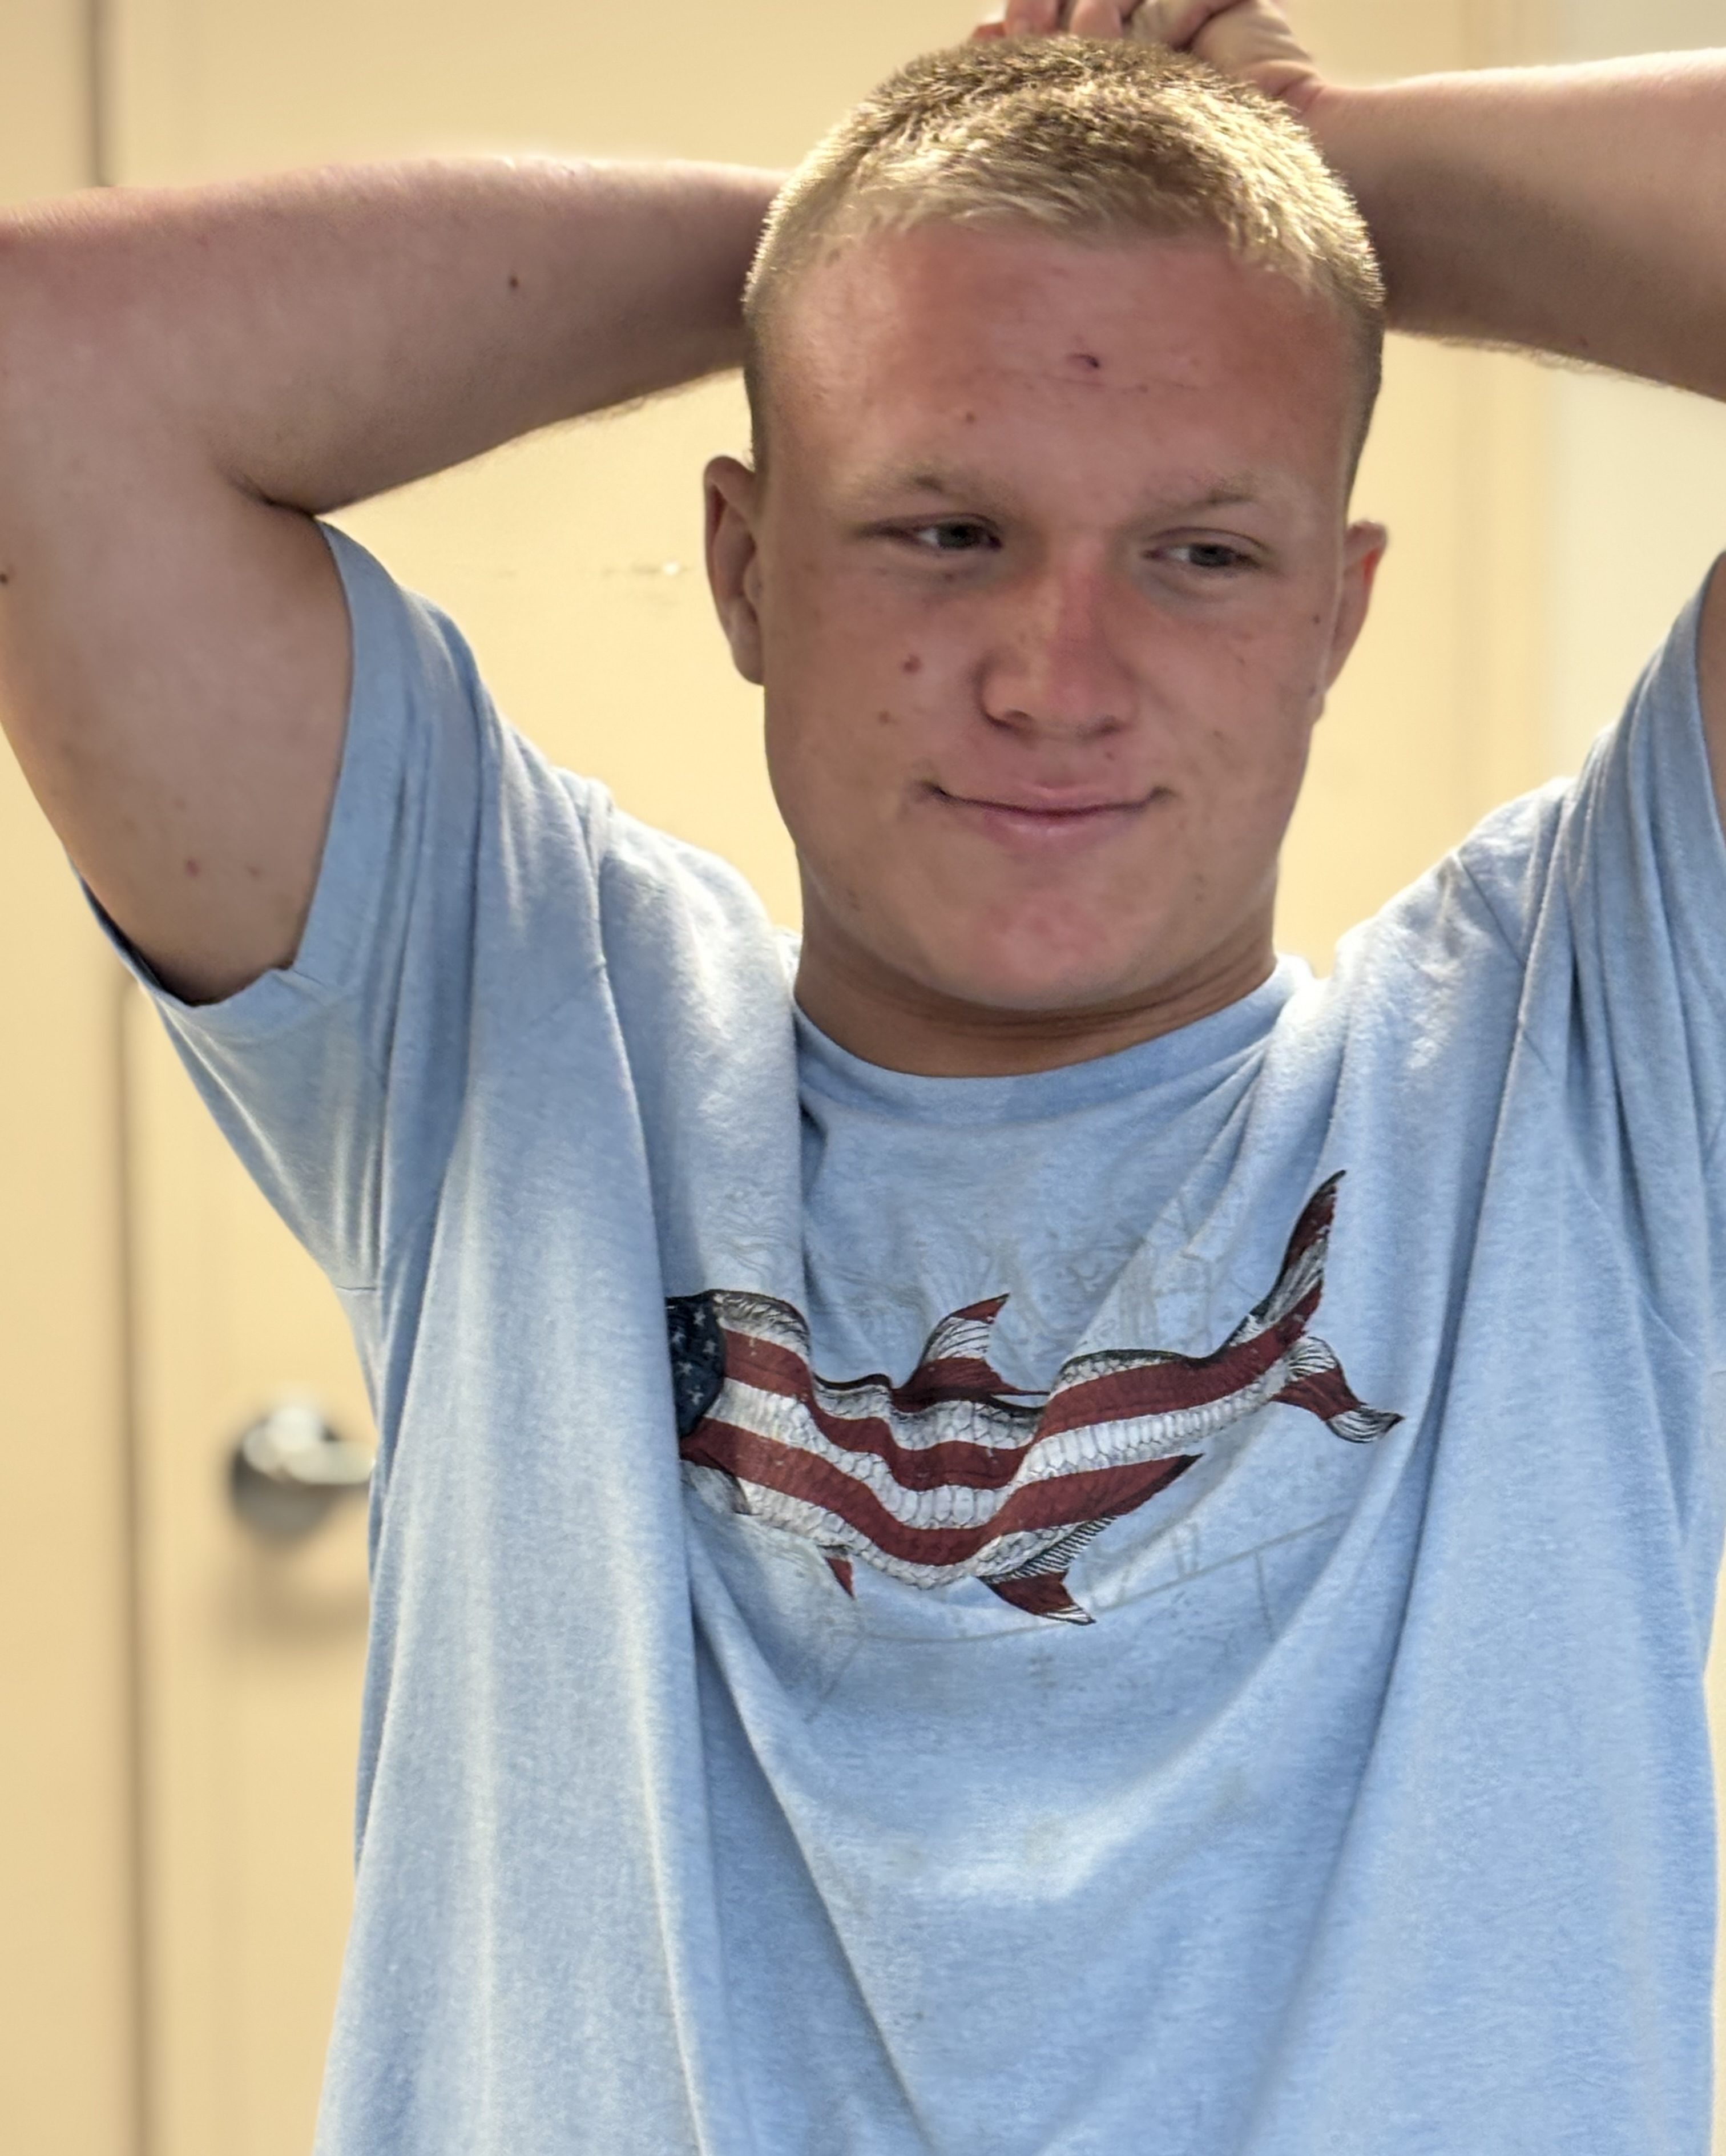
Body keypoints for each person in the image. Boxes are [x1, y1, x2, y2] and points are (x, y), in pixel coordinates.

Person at [2, 0, 1725, 2147]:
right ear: (749, 564)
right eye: (943, 526)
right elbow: (40, 375)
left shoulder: (1590, 1055)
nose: (1053, 675)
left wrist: (1302, 179)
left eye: (1200, 553)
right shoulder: (524, 1021)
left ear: (1336, 614)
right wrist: (861, 235)